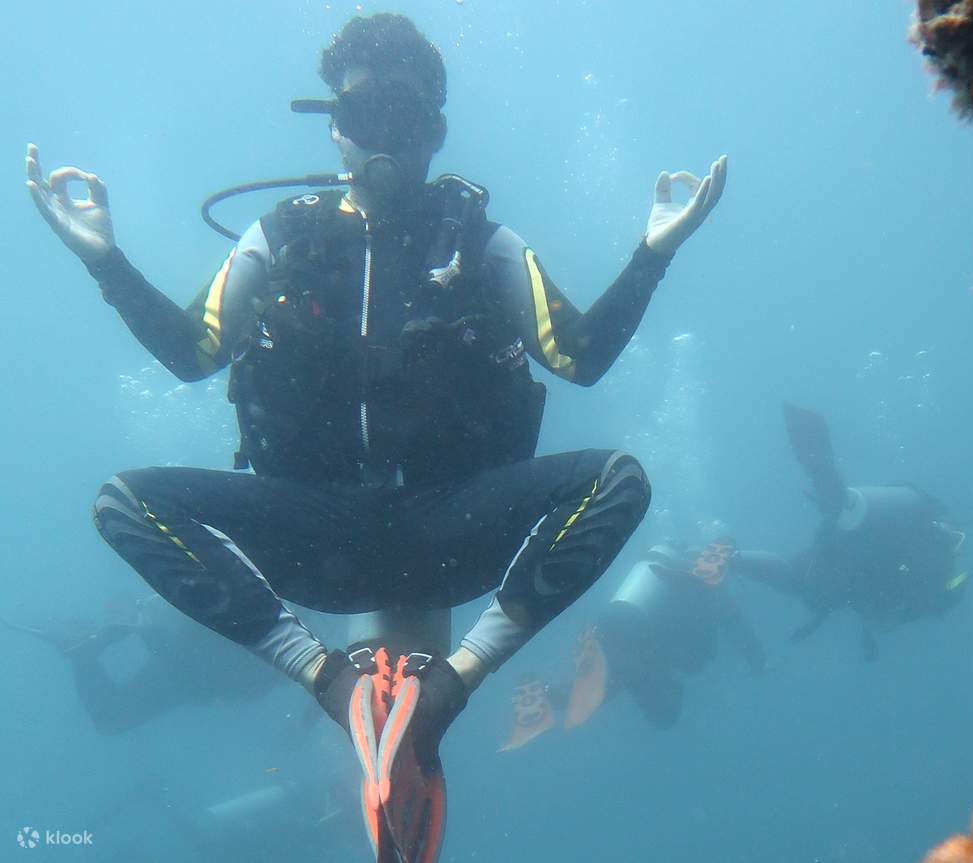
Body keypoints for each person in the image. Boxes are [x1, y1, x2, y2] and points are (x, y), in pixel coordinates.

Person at [26, 12, 726, 861]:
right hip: (312, 531)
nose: (383, 142)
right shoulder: (280, 235)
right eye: (363, 118)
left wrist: (653, 251)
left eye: (405, 121)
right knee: (122, 502)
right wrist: (105, 259)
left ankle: (443, 690)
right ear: (333, 126)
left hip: (451, 530)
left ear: (435, 134)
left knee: (619, 478)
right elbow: (192, 352)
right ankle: (334, 683)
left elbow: (576, 356)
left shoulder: (481, 239)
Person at [743, 404, 965, 659]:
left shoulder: (905, 587)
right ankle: (737, 556)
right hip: (873, 542)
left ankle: (735, 556)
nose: (883, 626)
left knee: (808, 575)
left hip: (855, 542)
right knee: (807, 577)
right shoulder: (927, 585)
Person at [501, 539, 768, 750]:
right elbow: (733, 623)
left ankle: (546, 693)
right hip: (630, 626)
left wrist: (753, 652)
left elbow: (729, 625)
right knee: (614, 683)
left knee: (614, 682)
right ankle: (546, 693)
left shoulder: (650, 667)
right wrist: (753, 653)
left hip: (625, 622)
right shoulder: (704, 594)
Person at [3, 594, 282, 736]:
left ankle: (88, 643)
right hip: (202, 664)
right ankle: (96, 639)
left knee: (110, 720)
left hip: (195, 672)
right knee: (110, 720)